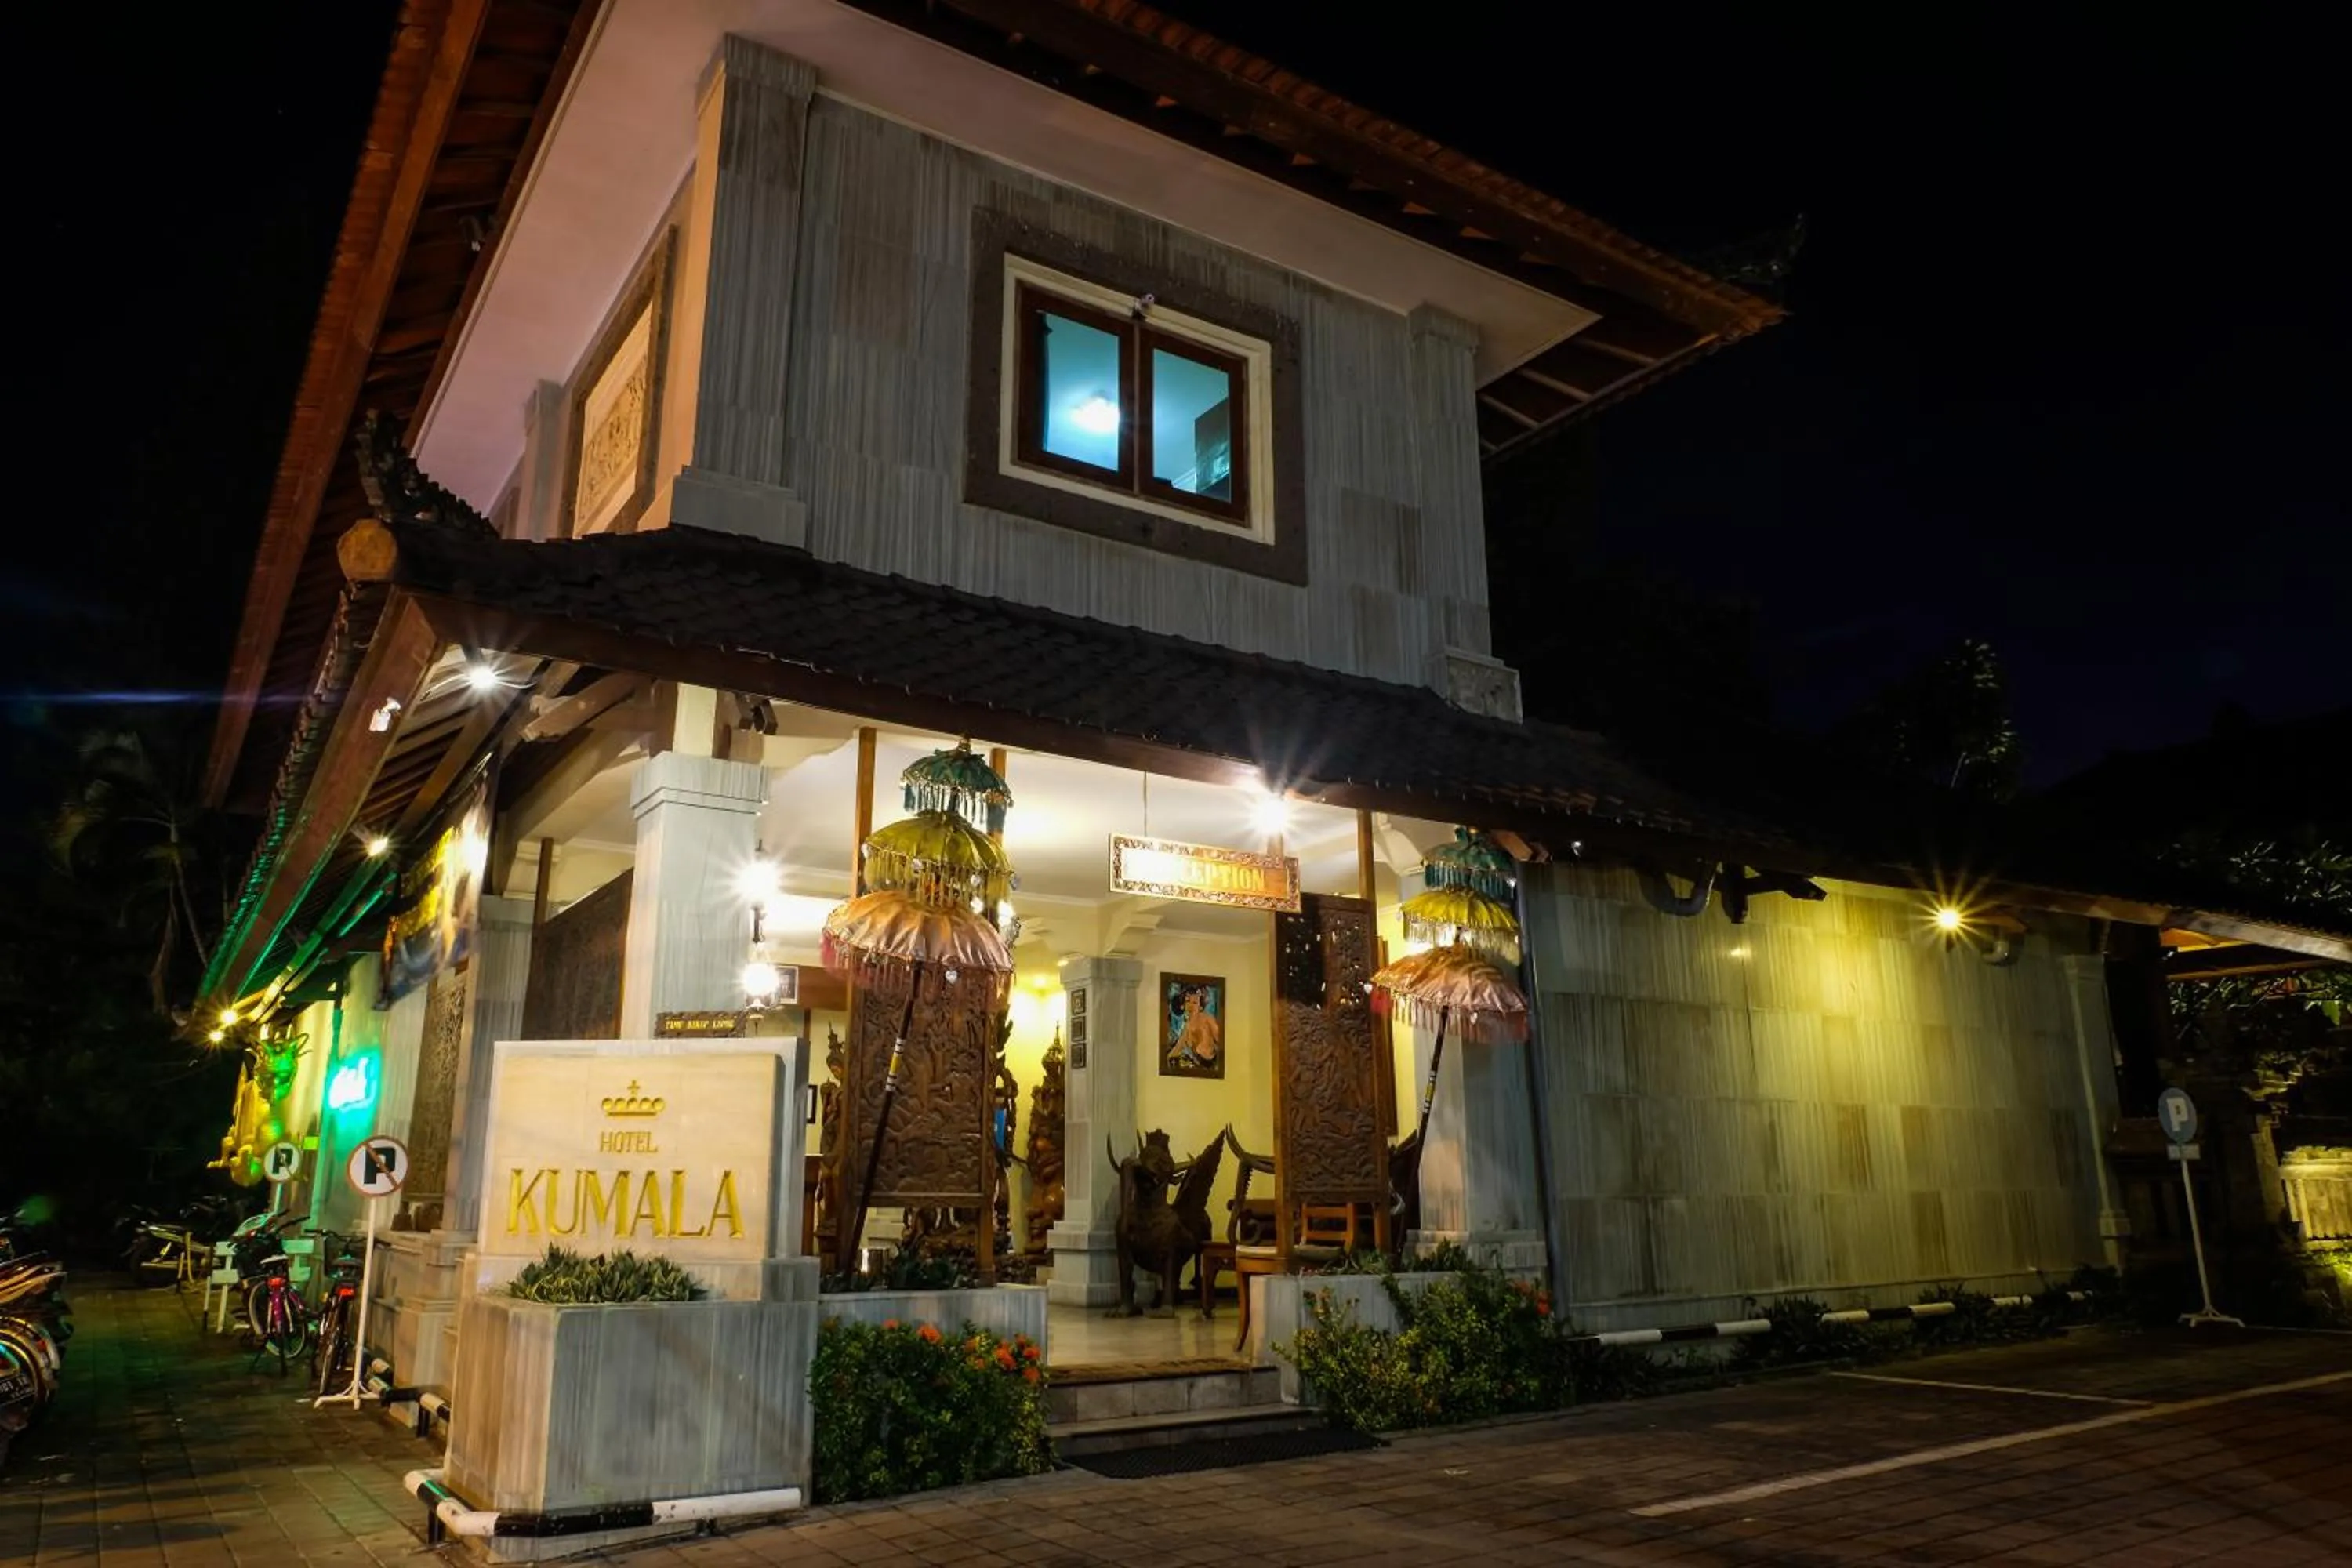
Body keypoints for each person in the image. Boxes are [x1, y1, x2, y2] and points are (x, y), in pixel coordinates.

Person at [1168, 986, 1222, 1068]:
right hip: (1198, 1065)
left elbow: (1221, 1040)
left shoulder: (1207, 1020)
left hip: (1213, 1063)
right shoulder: (1187, 1028)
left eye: (1195, 1002)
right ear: (1183, 1006)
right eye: (1188, 1001)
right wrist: (1167, 1058)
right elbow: (1178, 1048)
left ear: (1200, 1006)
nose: (1191, 1005)